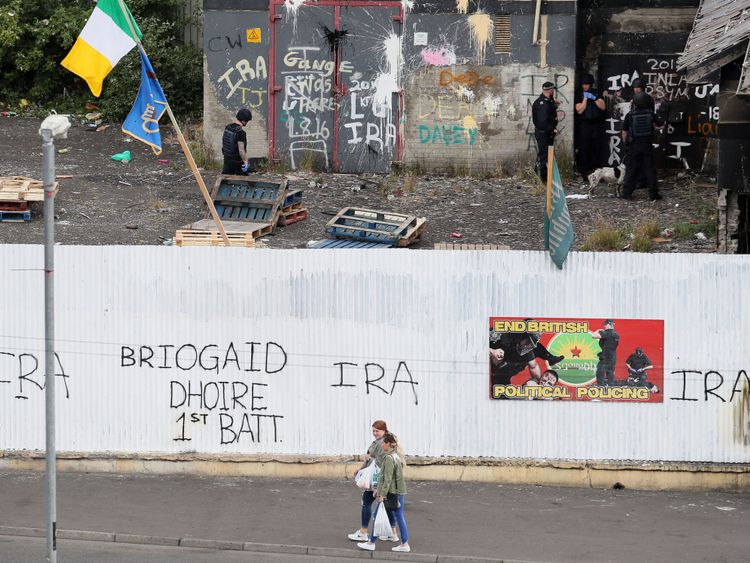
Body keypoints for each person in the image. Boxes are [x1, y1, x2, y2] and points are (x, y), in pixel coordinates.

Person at [357, 433, 410, 553]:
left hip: (391, 493)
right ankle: (404, 543)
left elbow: (387, 478)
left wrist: (382, 494)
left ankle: (371, 542)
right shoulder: (396, 456)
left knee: (376, 515)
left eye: (383, 443)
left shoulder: (388, 458)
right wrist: (378, 489)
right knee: (400, 517)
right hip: (399, 492)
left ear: (388, 444)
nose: (381, 445)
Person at [347, 421, 399, 543]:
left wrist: (378, 486)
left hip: (376, 479)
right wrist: (361, 468)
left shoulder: (383, 443)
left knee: (366, 503)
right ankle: (393, 533)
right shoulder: (386, 440)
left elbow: (381, 462)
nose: (375, 433)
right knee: (387, 506)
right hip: (380, 479)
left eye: (377, 431)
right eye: (373, 431)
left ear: (384, 430)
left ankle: (363, 533)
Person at [620, 92, 664, 201]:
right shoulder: (651, 114)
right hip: (647, 146)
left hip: (634, 146)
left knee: (631, 169)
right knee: (650, 170)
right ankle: (653, 194)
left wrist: (625, 144)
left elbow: (624, 132)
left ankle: (627, 193)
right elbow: (661, 125)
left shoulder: (630, 115)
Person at [490, 327, 564, 389]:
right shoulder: (500, 335)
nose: (528, 346)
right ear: (522, 336)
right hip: (494, 368)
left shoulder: (527, 348)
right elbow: (479, 343)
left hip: (507, 370)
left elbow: (533, 367)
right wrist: (492, 351)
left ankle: (550, 358)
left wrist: (541, 383)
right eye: (528, 342)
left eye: (532, 343)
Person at [575, 73, 607, 180]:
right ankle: (585, 172)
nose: (586, 86)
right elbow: (579, 110)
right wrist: (584, 99)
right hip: (584, 125)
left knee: (596, 148)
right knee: (584, 148)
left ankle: (596, 172)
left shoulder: (596, 93)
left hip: (596, 124)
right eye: (584, 84)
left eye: (587, 84)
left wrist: (593, 98)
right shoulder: (579, 94)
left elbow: (602, 107)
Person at [531, 81, 559, 183]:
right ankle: (543, 179)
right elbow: (543, 121)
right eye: (553, 90)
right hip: (543, 133)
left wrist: (555, 105)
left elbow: (549, 113)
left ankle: (537, 176)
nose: (554, 92)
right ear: (550, 90)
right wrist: (552, 129)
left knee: (544, 155)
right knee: (544, 156)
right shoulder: (542, 103)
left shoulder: (547, 101)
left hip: (546, 133)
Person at [221, 108, 252, 175]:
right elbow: (241, 150)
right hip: (237, 163)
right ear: (244, 120)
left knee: (225, 181)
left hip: (227, 159)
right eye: (247, 121)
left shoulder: (228, 127)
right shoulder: (241, 132)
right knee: (245, 182)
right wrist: (246, 162)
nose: (247, 123)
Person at [592, 319, 619, 386]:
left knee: (600, 371)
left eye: (605, 325)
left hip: (605, 357)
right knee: (610, 372)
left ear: (609, 325)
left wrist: (598, 330)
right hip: (613, 357)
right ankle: (610, 385)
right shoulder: (616, 335)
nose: (604, 326)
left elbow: (593, 336)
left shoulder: (607, 333)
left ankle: (601, 386)